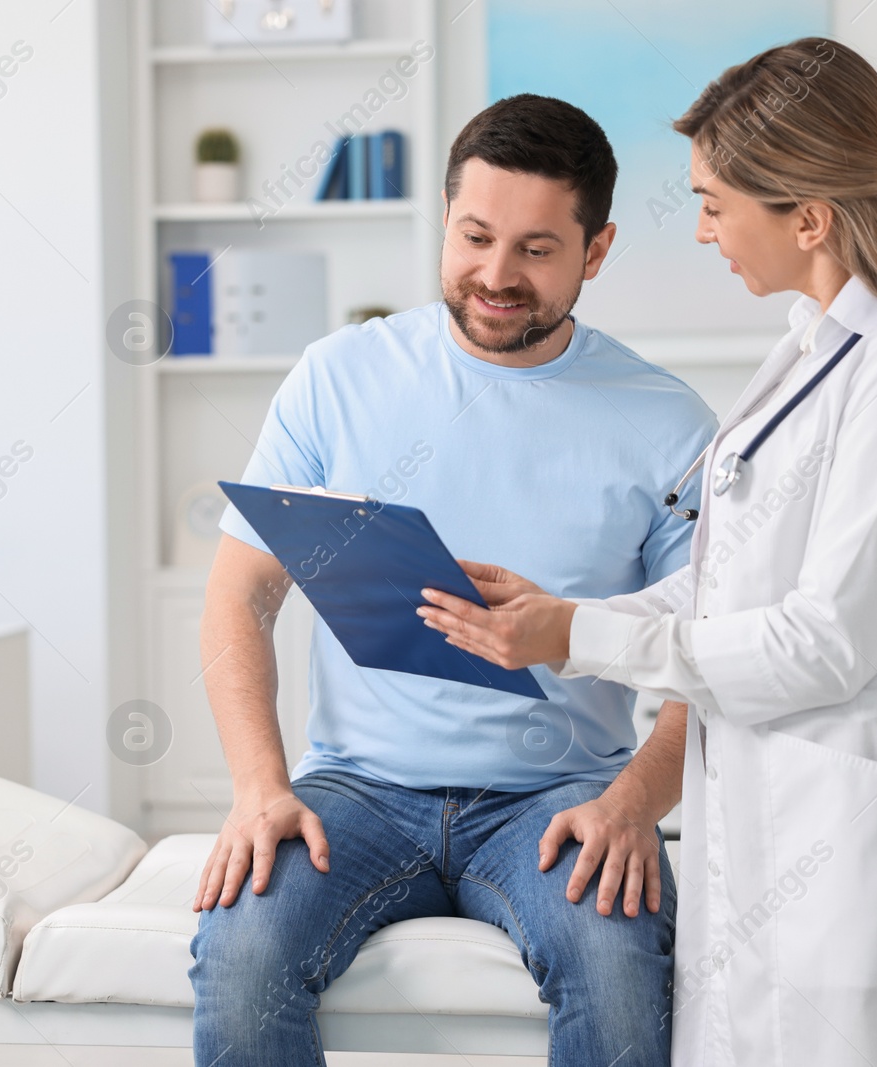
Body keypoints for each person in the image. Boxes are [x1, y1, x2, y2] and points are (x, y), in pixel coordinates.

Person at [418, 39, 877, 1066]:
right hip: (771, 803)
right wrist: (561, 613)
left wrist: (576, 631)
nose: (703, 227)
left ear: (809, 215)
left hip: (867, 813)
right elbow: (732, 578)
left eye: (716, 201)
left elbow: (825, 643)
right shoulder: (814, 345)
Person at [189, 94, 717, 1066]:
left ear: (595, 251)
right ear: (444, 219)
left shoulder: (667, 421)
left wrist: (636, 799)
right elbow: (241, 592)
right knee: (243, 948)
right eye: (475, 236)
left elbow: (708, 653)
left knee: (614, 961)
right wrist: (259, 785)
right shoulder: (336, 376)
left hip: (557, 795)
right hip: (357, 786)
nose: (495, 275)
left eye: (536, 249)